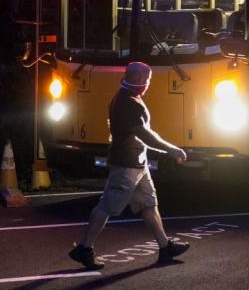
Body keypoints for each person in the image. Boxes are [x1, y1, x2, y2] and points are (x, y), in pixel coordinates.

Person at [68, 61, 191, 270]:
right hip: (126, 164)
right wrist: (172, 150)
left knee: (149, 204)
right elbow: (143, 134)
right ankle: (84, 248)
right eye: (148, 79)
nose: (149, 83)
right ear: (140, 79)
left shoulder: (128, 96)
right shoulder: (127, 102)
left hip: (137, 163)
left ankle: (165, 246)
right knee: (107, 206)